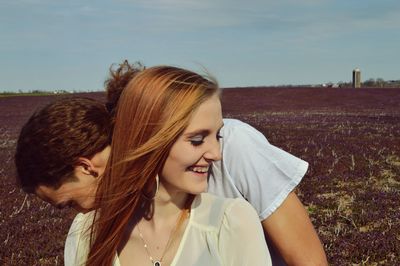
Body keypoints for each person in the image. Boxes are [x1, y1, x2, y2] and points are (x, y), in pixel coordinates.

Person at [15, 62, 327, 265]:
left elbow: (309, 260)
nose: (80, 212)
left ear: (85, 166)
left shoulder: (234, 148)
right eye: (197, 139)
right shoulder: (96, 230)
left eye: (68, 203)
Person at [67, 65, 272, 265]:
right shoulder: (88, 232)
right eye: (197, 140)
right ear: (148, 140)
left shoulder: (231, 222)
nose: (216, 154)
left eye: (217, 135)